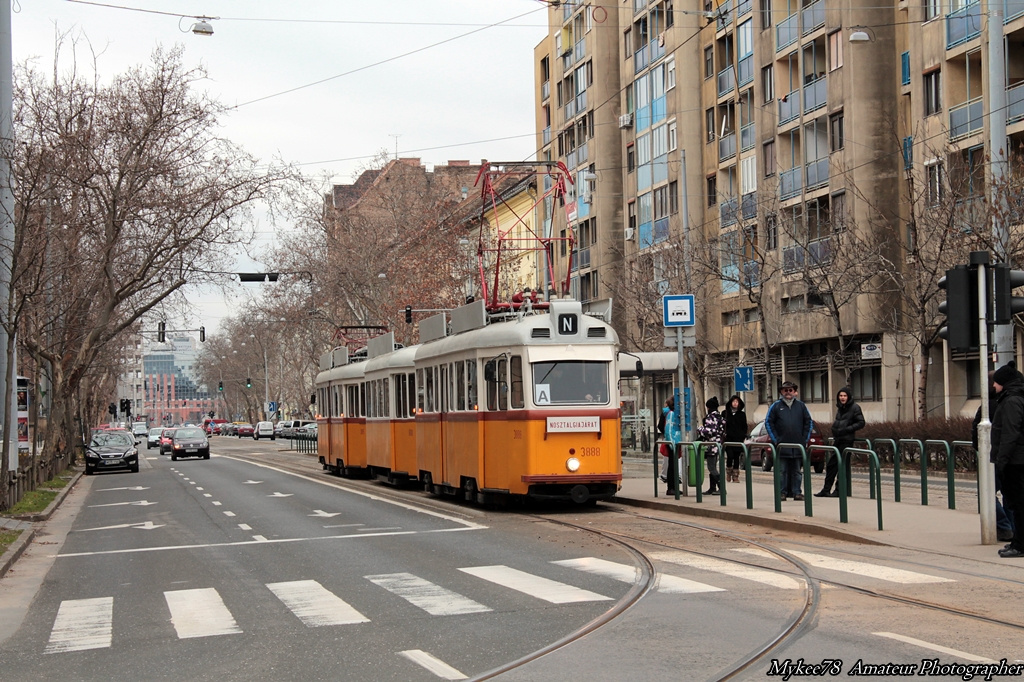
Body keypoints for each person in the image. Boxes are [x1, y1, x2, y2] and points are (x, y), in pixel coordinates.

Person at [972, 372, 1015, 543]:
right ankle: (1012, 527)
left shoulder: (987, 406)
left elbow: (975, 431)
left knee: (987, 493)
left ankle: (1004, 526)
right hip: (1010, 456)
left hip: (993, 456)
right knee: (1010, 493)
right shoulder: (1012, 402)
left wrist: (980, 450)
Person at [989, 363, 1024, 558]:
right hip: (1016, 459)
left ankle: (1020, 545)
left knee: (1018, 505)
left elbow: (1010, 432)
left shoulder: (1012, 401)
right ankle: (1018, 542)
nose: (994, 385)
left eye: (997, 382)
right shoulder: (1015, 398)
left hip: (1015, 462)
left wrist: (1002, 460)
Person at [765, 381, 813, 501]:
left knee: (797, 471)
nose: (788, 392)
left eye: (790, 390)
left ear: (794, 392)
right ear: (781, 391)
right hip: (782, 445)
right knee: (782, 471)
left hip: (797, 445)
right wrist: (776, 439)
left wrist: (804, 439)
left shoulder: (801, 406)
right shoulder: (776, 406)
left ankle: (797, 492)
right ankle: (782, 492)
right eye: (785, 390)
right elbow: (768, 422)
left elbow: (808, 422)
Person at [816, 387, 865, 498]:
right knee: (831, 465)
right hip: (838, 439)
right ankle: (826, 489)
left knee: (842, 466)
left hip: (847, 440)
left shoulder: (854, 408)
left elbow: (861, 422)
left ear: (848, 397)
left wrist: (848, 429)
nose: (842, 398)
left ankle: (839, 490)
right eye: (841, 396)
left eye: (844, 396)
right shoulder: (840, 408)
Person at [697, 396, 725, 494]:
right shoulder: (719, 416)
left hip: (712, 445)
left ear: (708, 407)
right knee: (713, 466)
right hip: (718, 444)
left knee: (711, 467)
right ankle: (712, 488)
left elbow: (709, 431)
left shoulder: (710, 417)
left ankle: (721, 487)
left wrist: (700, 429)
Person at [723, 395, 747, 483]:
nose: (735, 403)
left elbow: (744, 426)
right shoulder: (725, 413)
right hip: (728, 439)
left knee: (736, 457)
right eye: (734, 401)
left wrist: (743, 436)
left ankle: (735, 476)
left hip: (738, 439)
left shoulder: (741, 414)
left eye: (737, 402)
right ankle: (728, 473)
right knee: (730, 456)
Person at [661, 396, 683, 494]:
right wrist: (672, 442)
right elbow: (668, 429)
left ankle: (673, 487)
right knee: (672, 465)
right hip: (673, 441)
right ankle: (671, 488)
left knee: (672, 465)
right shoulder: (671, 414)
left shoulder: (668, 412)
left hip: (673, 440)